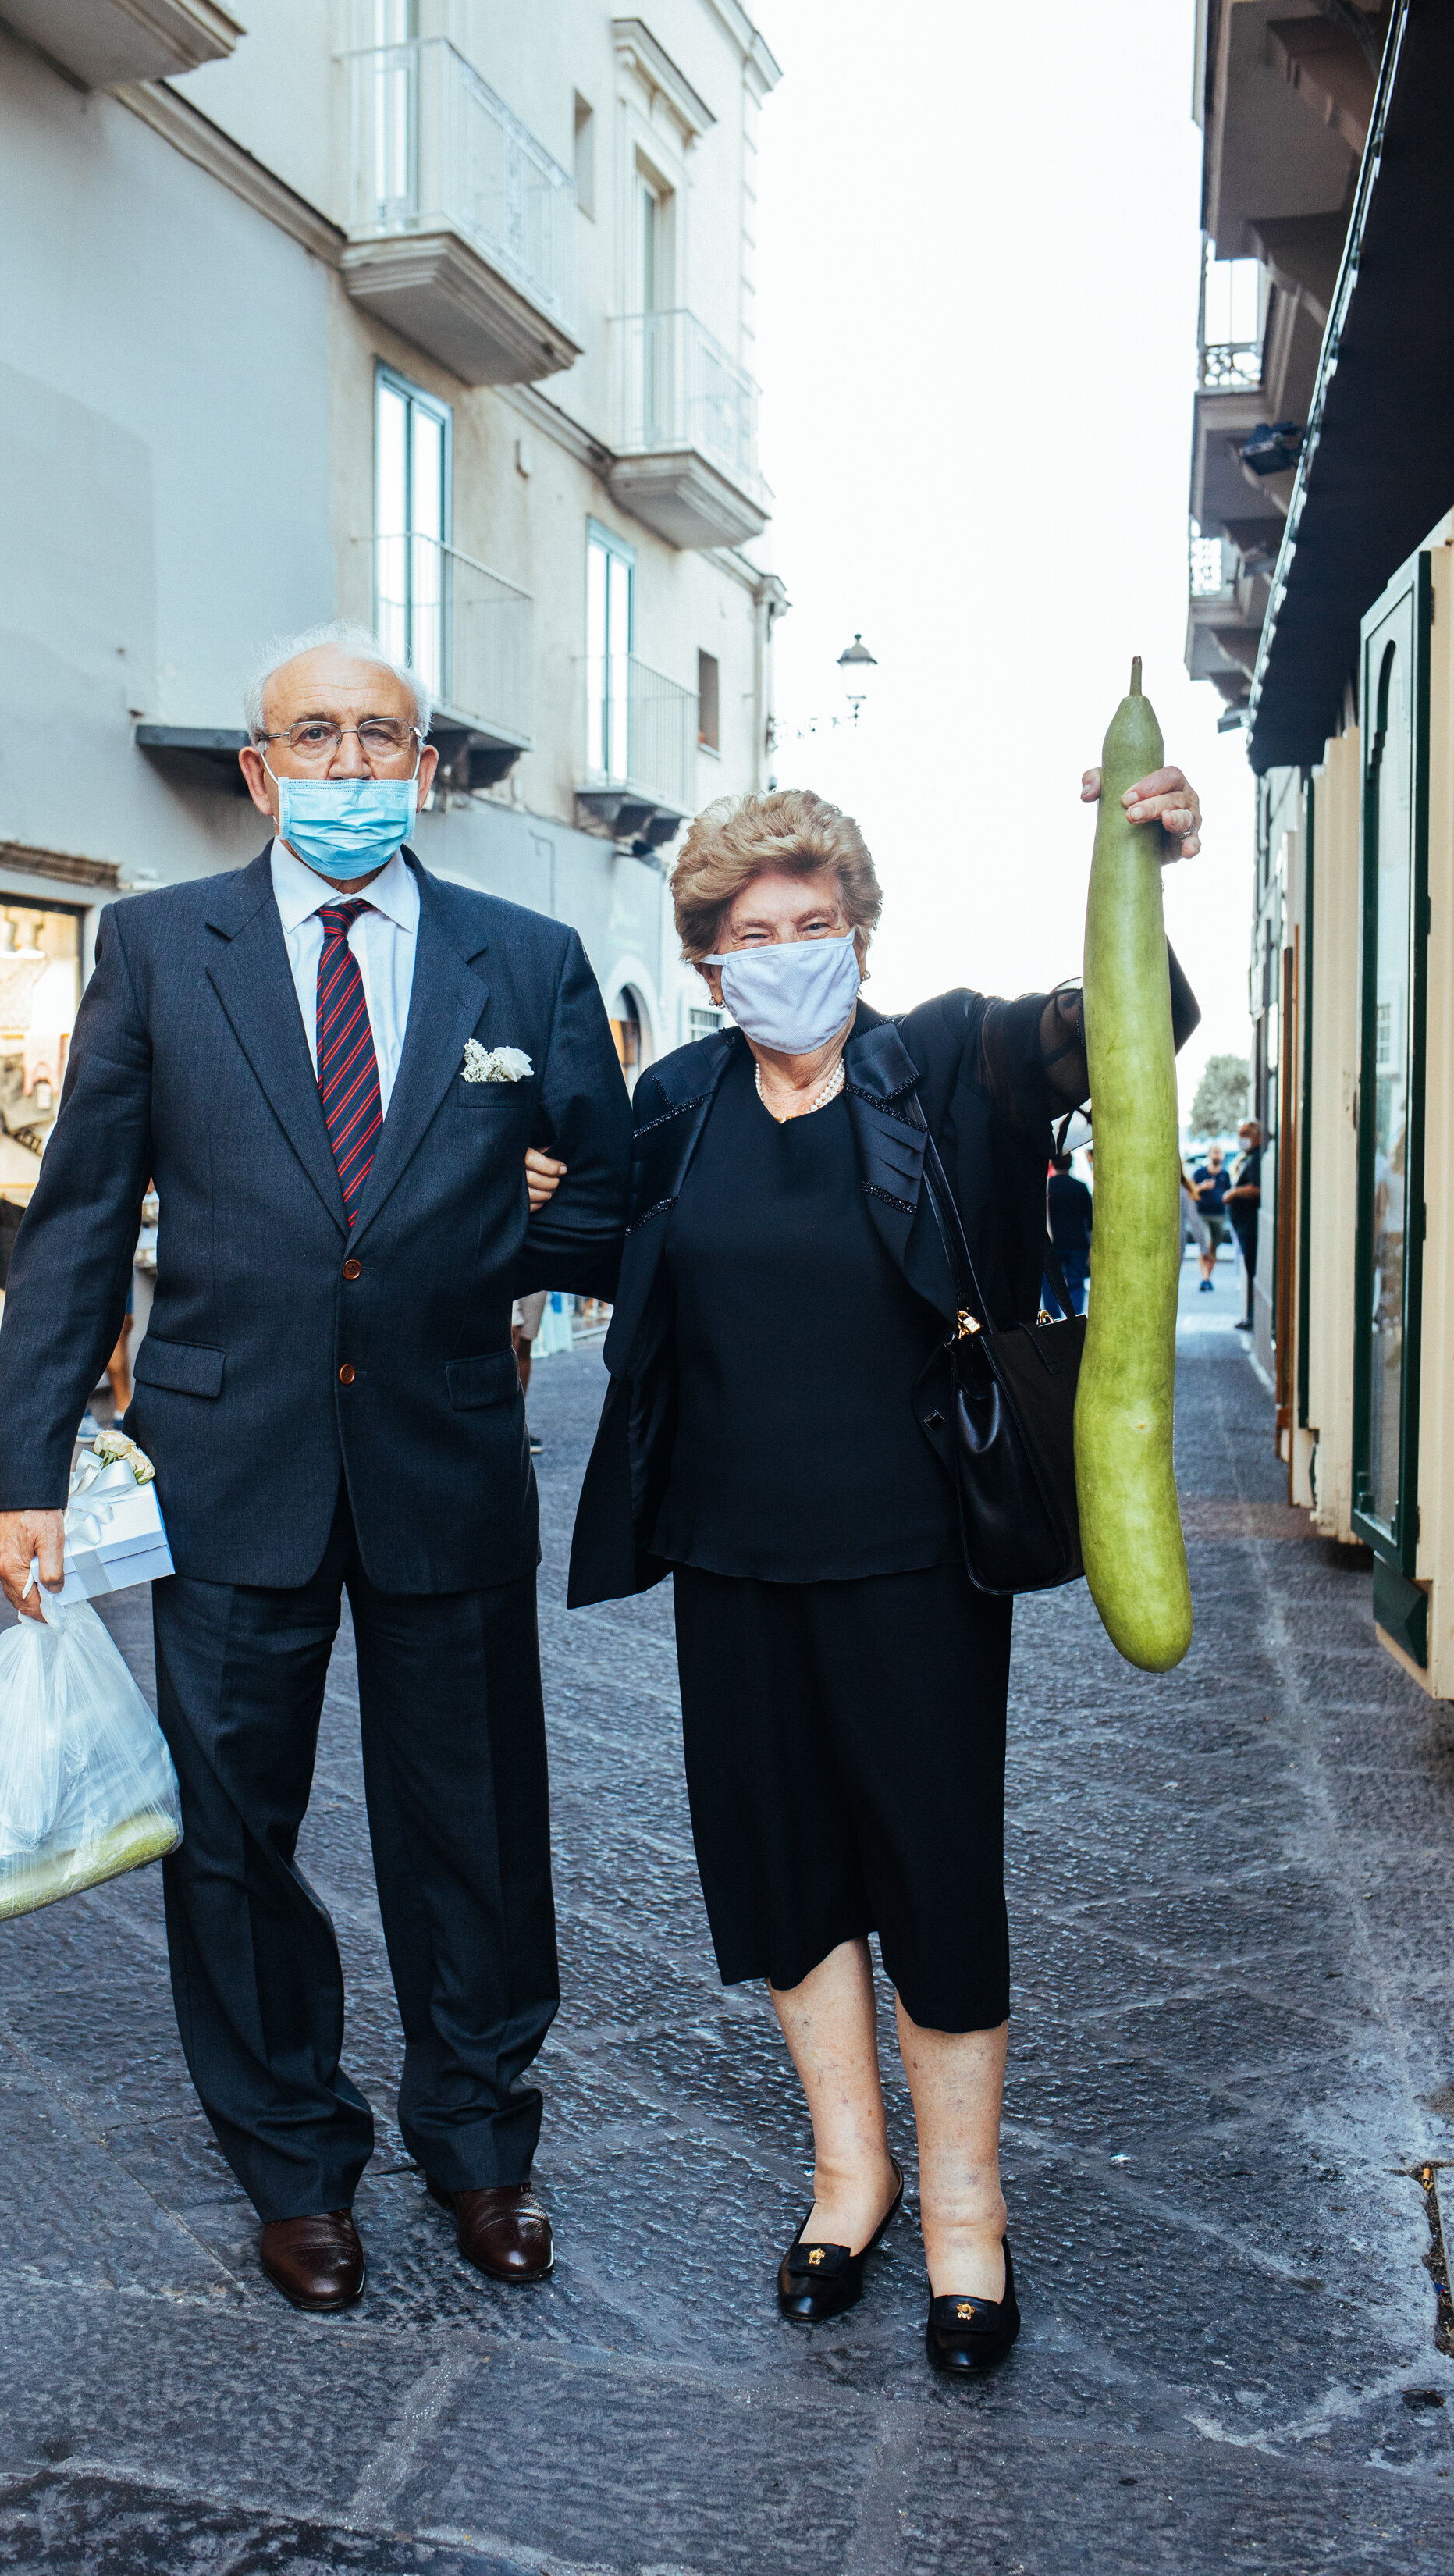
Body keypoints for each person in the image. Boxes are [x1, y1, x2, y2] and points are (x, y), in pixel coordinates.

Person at [0, 624, 631, 2315]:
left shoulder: (526, 959)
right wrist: (24, 1472)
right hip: (225, 1462)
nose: (351, 764)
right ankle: (291, 2160)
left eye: (381, 737)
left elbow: (607, 1198)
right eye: (316, 737)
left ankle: (480, 2143)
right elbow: (78, 1220)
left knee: (475, 1829)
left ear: (426, 768)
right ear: (260, 770)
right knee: (228, 1837)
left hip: (443, 1454)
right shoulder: (156, 946)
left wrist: (502, 1229)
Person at [569, 761, 1203, 2376]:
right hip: (728, 1552)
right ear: (707, 959)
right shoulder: (676, 1104)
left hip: (918, 1555)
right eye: (751, 932)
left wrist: (1143, 859)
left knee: (932, 1872)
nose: (787, 950)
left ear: (859, 931)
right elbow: (592, 1250)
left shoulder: (953, 1061)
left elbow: (1140, 1025)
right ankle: (849, 2180)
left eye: (815, 922)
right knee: (782, 1873)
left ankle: (965, 2211)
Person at [1225, 1118, 1264, 1330]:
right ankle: (1251, 1316)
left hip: (1250, 1224)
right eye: (1240, 1134)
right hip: (1243, 1223)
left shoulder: (1257, 1159)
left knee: (1253, 1270)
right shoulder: (1247, 1158)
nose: (1242, 1138)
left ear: (1257, 1137)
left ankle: (1253, 1316)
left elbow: (1257, 1188)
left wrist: (1234, 1193)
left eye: (1246, 1134)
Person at [1043, 1149, 1092, 1316]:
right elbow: (1090, 1220)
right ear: (1071, 1164)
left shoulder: (1047, 1188)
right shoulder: (1080, 1187)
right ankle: (1075, 1319)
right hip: (1077, 1243)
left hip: (1052, 1244)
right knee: (1076, 1283)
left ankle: (1054, 1320)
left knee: (1050, 1285)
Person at [511, 1289, 548, 1453]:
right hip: (502, 1272)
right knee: (511, 1334)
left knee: (526, 1340)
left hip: (537, 1274)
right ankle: (502, 1422)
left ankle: (518, 1424)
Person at [1194, 1144, 1228, 1290]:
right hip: (1203, 1215)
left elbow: (1228, 1193)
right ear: (1208, 1155)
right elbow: (1191, 1191)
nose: (1217, 1155)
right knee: (1206, 1245)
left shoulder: (1225, 1175)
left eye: (1219, 1152)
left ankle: (1208, 1276)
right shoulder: (1200, 1173)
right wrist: (1202, 1187)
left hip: (1219, 1215)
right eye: (1214, 1152)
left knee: (1213, 1248)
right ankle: (1204, 1278)